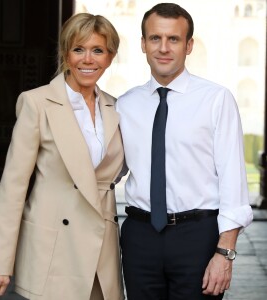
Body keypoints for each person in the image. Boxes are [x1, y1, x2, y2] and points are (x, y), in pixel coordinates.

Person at [116, 3, 253, 300]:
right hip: (139, 236)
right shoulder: (125, 104)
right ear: (143, 43)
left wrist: (224, 253)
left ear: (189, 45)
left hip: (198, 236)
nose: (163, 48)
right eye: (155, 38)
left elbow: (234, 183)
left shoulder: (216, 100)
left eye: (173, 39)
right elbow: (108, 171)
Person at [0, 13, 125, 300]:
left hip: (102, 250)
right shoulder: (36, 103)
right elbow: (13, 187)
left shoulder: (116, 107)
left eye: (98, 50)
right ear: (65, 53)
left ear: (110, 57)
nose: (88, 59)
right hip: (56, 248)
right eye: (78, 49)